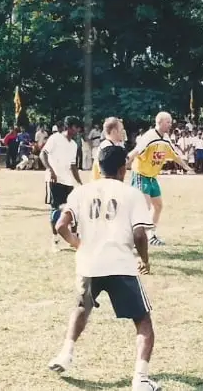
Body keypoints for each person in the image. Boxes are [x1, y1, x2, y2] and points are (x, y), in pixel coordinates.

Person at [47, 145, 160, 391]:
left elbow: (61, 225)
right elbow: (140, 234)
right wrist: (145, 260)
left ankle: (66, 353)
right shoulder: (132, 194)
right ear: (123, 169)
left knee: (81, 308)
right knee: (143, 321)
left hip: (89, 263)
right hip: (120, 264)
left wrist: (77, 244)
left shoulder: (81, 192)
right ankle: (140, 378)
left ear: (98, 166)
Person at [127, 111, 194, 246]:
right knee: (143, 207)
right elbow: (136, 151)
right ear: (160, 122)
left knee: (158, 206)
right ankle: (133, 237)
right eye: (168, 122)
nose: (170, 124)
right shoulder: (149, 136)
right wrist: (124, 162)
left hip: (152, 177)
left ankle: (151, 235)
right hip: (141, 174)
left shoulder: (166, 138)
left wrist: (187, 167)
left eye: (170, 122)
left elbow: (174, 155)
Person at [40, 117, 84, 251]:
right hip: (54, 180)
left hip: (68, 182)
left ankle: (74, 237)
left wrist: (80, 182)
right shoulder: (55, 138)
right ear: (69, 127)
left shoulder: (74, 145)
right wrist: (50, 170)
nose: (78, 130)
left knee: (73, 210)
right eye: (76, 127)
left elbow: (73, 165)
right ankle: (55, 240)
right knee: (56, 211)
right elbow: (43, 154)